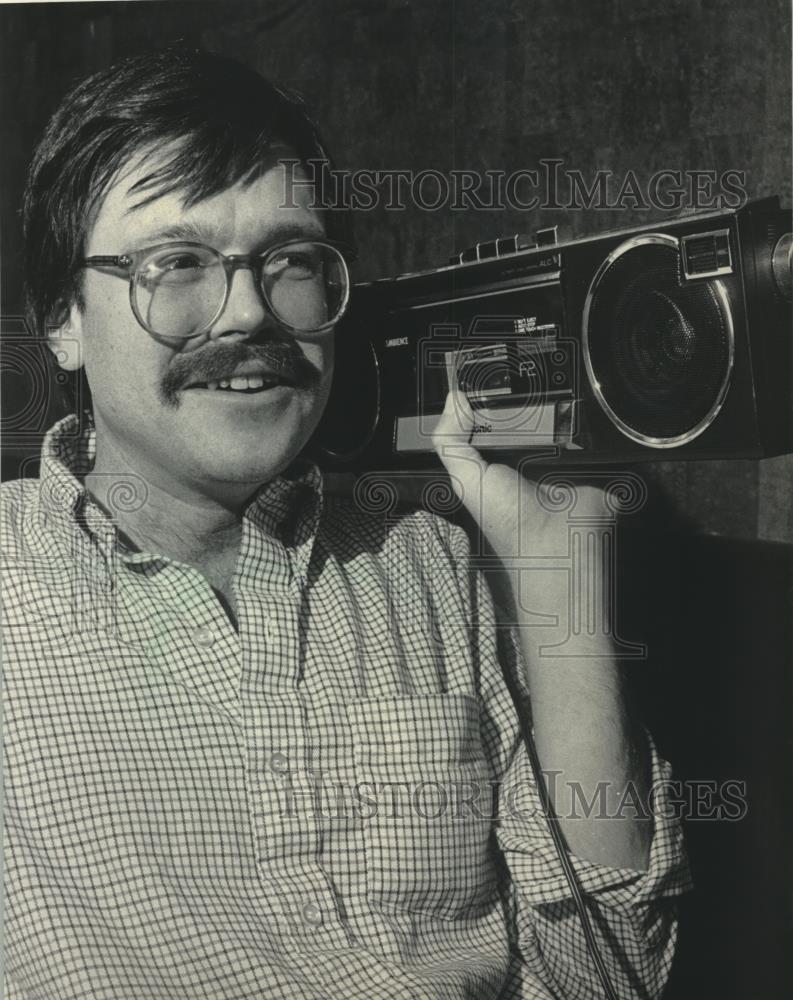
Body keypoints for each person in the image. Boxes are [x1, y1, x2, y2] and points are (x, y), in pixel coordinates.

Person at [1, 47, 691, 999]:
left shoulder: (432, 567)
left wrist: (557, 575)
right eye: (178, 264)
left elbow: (606, 979)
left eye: (291, 262)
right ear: (60, 318)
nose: (248, 313)